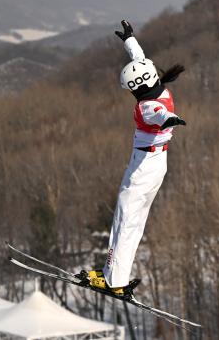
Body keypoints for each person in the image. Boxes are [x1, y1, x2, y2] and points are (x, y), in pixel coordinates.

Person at [79, 20, 186, 299]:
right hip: (157, 164)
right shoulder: (159, 88)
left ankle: (112, 279)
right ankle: (115, 274)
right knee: (134, 221)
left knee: (125, 219)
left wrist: (169, 119)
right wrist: (129, 40)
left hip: (142, 167)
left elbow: (156, 114)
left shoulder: (146, 105)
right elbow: (140, 61)